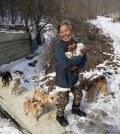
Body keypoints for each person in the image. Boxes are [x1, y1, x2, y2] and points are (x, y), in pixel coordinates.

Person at [55, 20, 87, 127]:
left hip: (74, 76)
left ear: (71, 31)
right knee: (64, 100)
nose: (64, 34)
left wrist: (77, 65)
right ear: (59, 34)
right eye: (61, 32)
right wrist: (80, 57)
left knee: (79, 94)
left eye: (66, 30)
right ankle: (59, 116)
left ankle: (75, 109)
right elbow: (66, 63)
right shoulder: (59, 47)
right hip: (63, 78)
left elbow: (84, 60)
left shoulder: (78, 44)